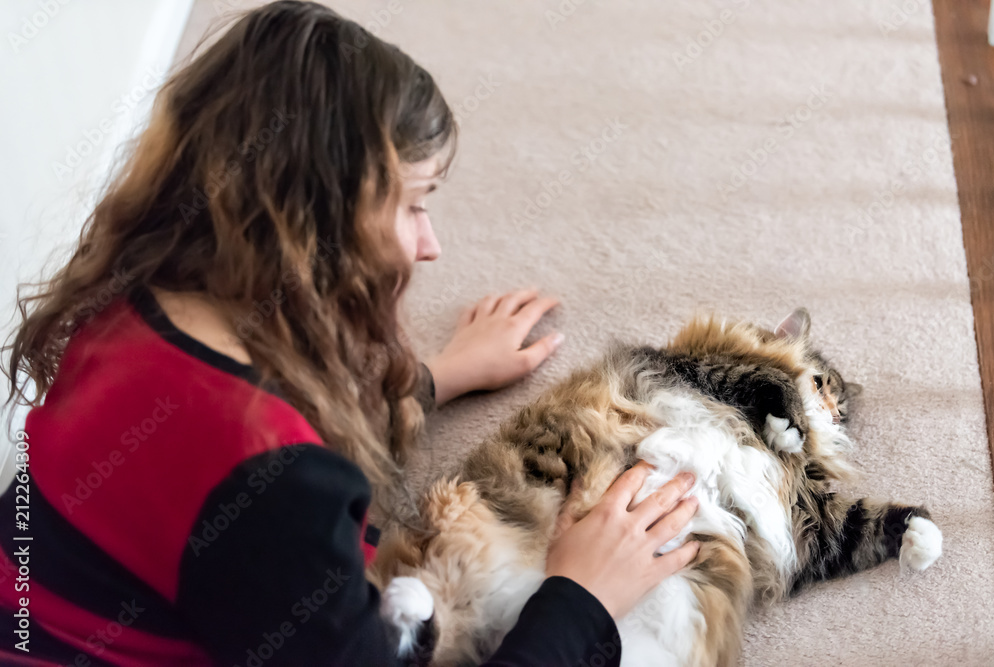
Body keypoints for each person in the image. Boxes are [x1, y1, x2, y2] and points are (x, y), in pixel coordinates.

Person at [0, 2, 699, 665]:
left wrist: (433, 377)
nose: (430, 245)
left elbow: (196, 456)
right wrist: (583, 596)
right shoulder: (281, 484)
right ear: (315, 228)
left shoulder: (126, 307)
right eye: (415, 204)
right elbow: (251, 479)